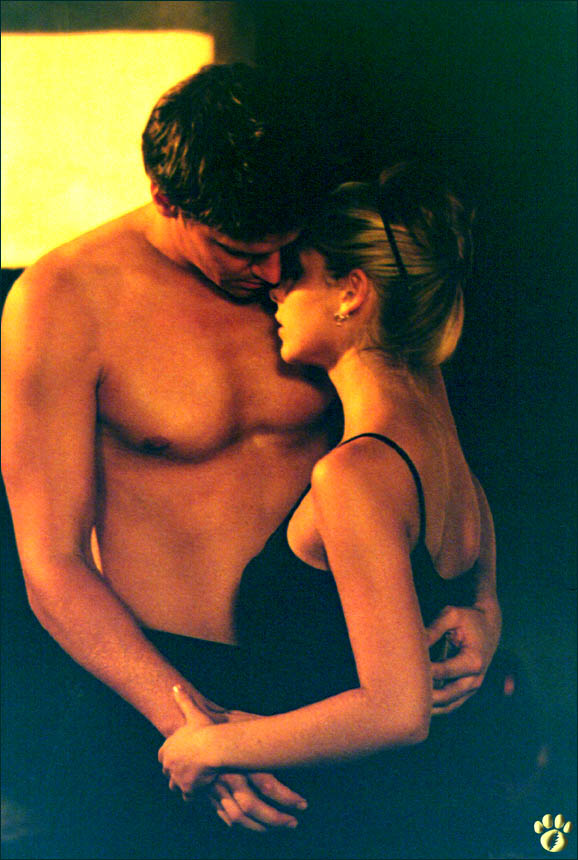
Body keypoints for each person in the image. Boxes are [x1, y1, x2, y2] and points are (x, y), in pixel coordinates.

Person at [1, 62, 500, 858]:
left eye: (282, 251)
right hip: (163, 684)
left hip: (339, 690)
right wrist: (190, 724)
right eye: (241, 250)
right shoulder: (63, 299)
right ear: (167, 198)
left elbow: (434, 451)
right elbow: (51, 565)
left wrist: (483, 606)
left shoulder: (330, 267)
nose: (269, 275)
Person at [157, 161, 502, 858]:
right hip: (421, 806)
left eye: (296, 275)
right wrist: (488, 623)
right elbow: (478, 594)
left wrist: (210, 746)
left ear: (351, 291)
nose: (275, 290)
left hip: (347, 823)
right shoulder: (440, 436)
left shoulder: (356, 474)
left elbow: (398, 711)